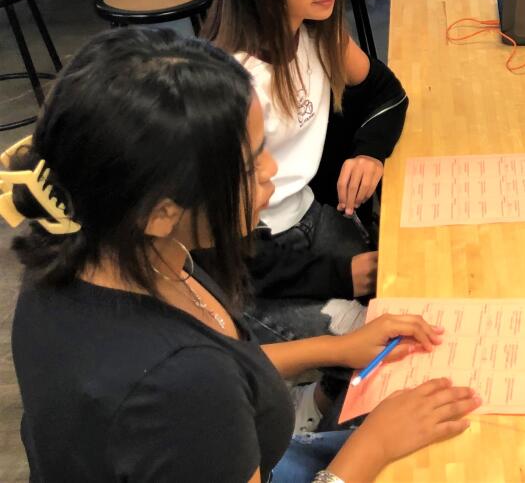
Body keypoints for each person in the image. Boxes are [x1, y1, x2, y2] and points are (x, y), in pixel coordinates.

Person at [4, 28, 480, 483]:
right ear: (161, 212)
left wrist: (337, 349)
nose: (272, 170)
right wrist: (372, 445)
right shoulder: (175, 384)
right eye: (252, 166)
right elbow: (197, 384)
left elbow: (223, 366)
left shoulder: (87, 254)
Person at [204, 0, 410, 430]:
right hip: (253, 266)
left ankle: (320, 401)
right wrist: (338, 271)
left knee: (404, 278)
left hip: (310, 220)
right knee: (371, 331)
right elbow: (220, 248)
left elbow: (388, 95)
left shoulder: (318, 33)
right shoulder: (233, 85)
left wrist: (369, 152)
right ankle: (308, 416)